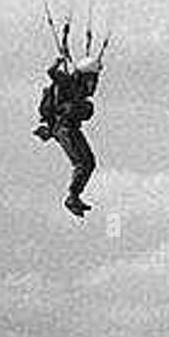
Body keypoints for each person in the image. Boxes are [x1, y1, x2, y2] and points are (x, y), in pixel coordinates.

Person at [34, 25, 106, 218]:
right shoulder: (69, 82)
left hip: (70, 128)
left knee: (89, 163)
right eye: (92, 79)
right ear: (85, 76)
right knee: (83, 163)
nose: (94, 84)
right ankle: (72, 197)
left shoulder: (80, 89)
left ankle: (74, 196)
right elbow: (51, 72)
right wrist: (58, 62)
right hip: (63, 129)